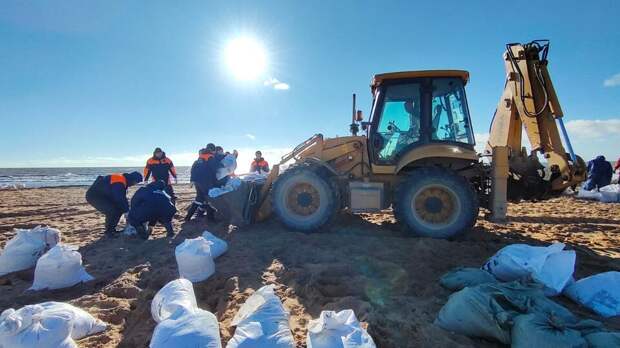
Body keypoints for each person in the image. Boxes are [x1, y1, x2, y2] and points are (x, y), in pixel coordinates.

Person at [86, 171, 142, 237]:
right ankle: (109, 232)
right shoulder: (119, 181)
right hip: (95, 196)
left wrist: (125, 208)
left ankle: (111, 230)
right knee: (112, 211)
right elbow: (119, 197)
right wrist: (126, 211)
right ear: (132, 179)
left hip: (103, 196)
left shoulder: (122, 180)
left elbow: (120, 197)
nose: (134, 184)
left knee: (118, 209)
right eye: (136, 182)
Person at [186, 144, 220, 221]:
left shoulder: (200, 157)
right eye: (214, 151)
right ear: (212, 150)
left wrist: (192, 180)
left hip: (198, 182)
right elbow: (214, 168)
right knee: (210, 198)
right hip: (206, 181)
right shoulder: (210, 157)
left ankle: (188, 216)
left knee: (199, 198)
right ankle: (210, 218)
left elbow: (193, 169)